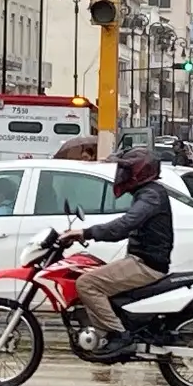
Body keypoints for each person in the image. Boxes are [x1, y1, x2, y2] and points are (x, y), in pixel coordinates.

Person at [58, 147, 172, 358]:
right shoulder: (148, 193)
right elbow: (124, 229)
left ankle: (119, 335)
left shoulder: (150, 196)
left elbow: (124, 225)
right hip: (141, 259)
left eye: (126, 171)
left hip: (146, 264)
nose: (121, 175)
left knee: (86, 283)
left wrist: (86, 232)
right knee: (92, 272)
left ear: (139, 171)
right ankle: (105, 331)